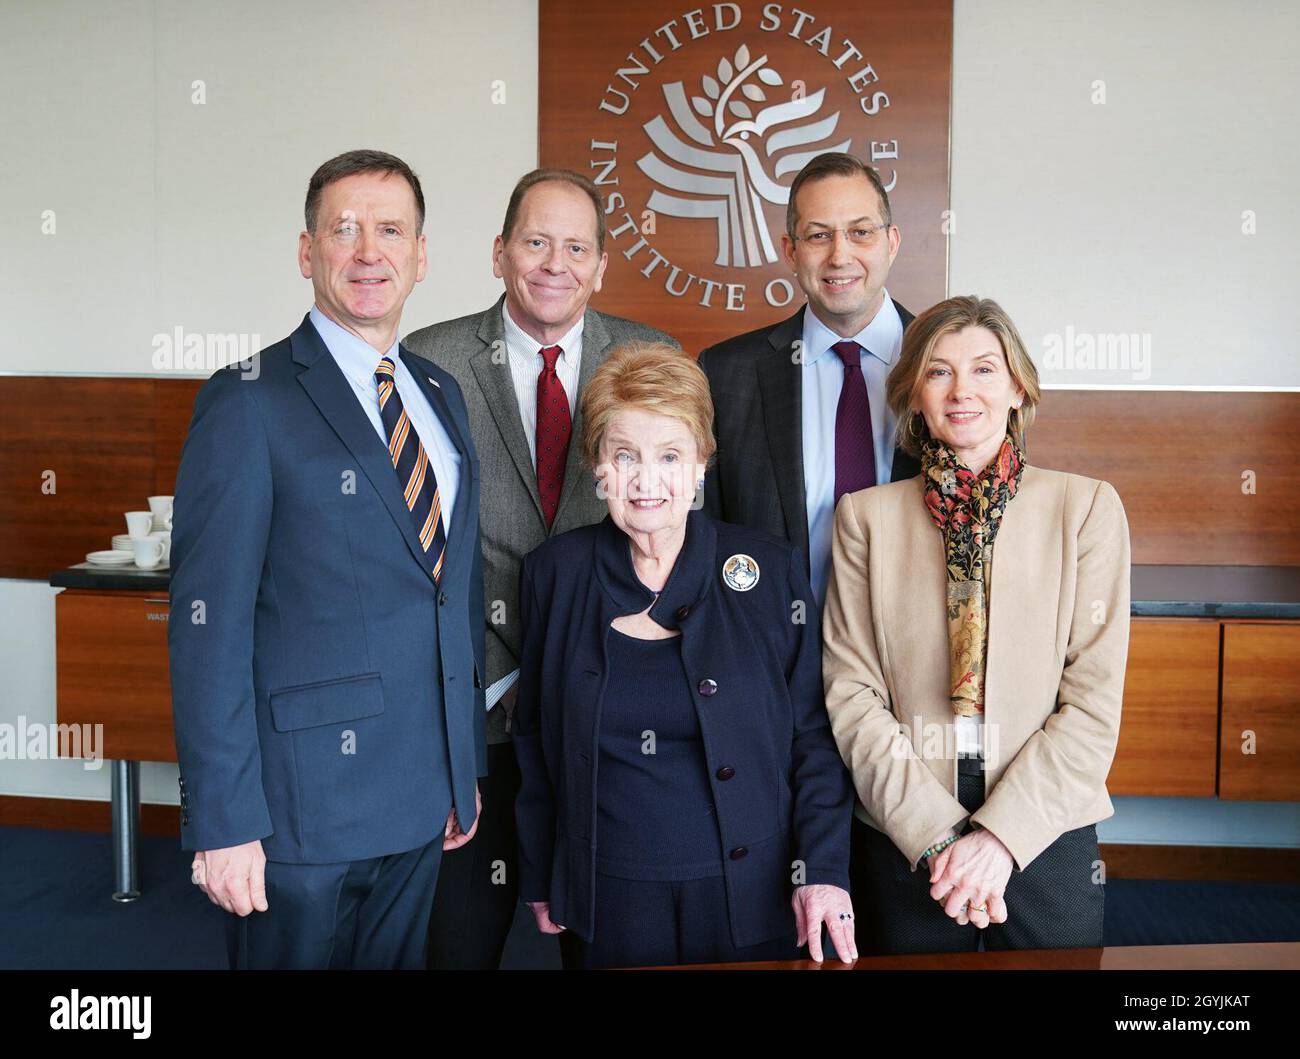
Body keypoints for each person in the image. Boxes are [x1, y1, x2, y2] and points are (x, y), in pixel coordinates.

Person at [169, 149, 486, 969]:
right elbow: (209, 625)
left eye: (390, 230)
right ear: (307, 253)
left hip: (421, 797)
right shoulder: (248, 397)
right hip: (299, 813)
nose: (367, 251)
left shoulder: (438, 392)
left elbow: (448, 593)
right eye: (343, 230)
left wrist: (461, 767)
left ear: (422, 255)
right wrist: (225, 818)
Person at [405, 169, 677, 969]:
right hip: (472, 708)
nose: (554, 262)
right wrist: (496, 671)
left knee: (603, 945)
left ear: (600, 267)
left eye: (576, 247)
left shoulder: (651, 358)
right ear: (499, 253)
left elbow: (679, 534)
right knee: (457, 943)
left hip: (612, 706)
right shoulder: (430, 359)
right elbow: (410, 547)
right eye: (535, 241)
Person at [513, 342, 856, 969]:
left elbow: (814, 736)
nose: (647, 480)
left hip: (754, 898)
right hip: (606, 900)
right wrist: (539, 873)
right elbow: (533, 738)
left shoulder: (769, 571)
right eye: (625, 456)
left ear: (702, 463)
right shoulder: (553, 576)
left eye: (670, 455)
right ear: (597, 466)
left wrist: (824, 870)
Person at [821, 295, 1131, 954]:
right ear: (915, 395)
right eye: (939, 372)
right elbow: (851, 693)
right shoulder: (865, 518)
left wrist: (1000, 837)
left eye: (985, 369)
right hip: (906, 830)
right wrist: (934, 831)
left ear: (1018, 387)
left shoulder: (1085, 508)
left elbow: (1092, 703)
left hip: (1047, 825)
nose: (963, 390)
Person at [698, 152, 918, 608]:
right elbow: (703, 537)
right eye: (819, 236)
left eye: (861, 232)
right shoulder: (725, 374)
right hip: (770, 662)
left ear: (891, 242)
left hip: (913, 662)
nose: (840, 255)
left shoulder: (946, 367)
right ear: (791, 251)